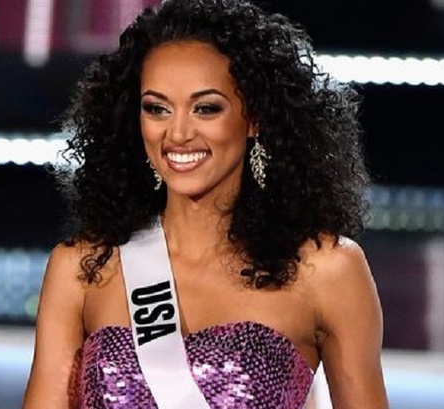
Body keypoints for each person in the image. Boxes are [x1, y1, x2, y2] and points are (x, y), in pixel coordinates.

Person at [23, 0, 388, 408]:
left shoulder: (327, 270)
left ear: (255, 116)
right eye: (157, 109)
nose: (178, 133)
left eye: (206, 108)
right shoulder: (84, 268)